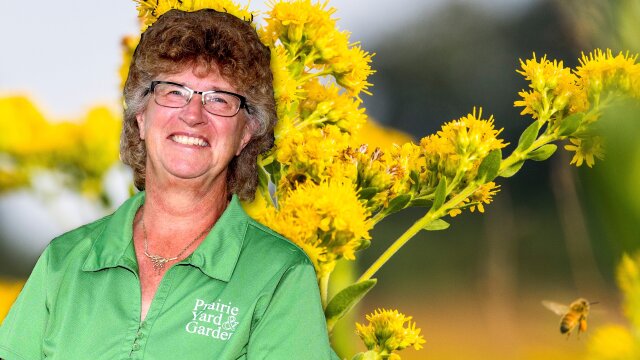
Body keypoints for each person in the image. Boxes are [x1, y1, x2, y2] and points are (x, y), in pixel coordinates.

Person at [0, 9, 338, 360]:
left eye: (219, 99)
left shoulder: (281, 275)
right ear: (141, 117)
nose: (193, 115)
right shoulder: (64, 261)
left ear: (246, 134)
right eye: (174, 92)